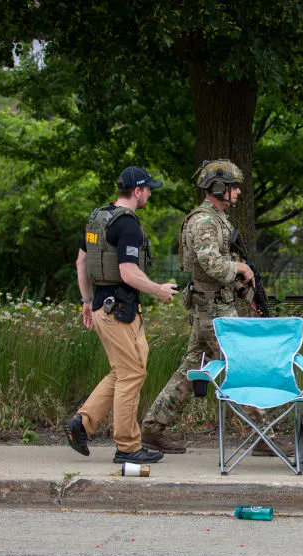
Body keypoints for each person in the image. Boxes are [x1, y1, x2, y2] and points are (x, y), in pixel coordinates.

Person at [139, 159, 260, 454]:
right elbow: (212, 264)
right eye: (234, 187)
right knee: (239, 365)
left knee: (193, 368)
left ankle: (153, 428)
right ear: (219, 187)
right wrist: (240, 267)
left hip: (214, 305)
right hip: (214, 311)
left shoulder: (217, 218)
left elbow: (217, 267)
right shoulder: (204, 221)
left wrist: (244, 289)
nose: (239, 192)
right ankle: (261, 434)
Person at [64, 166, 178, 465]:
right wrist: (158, 289)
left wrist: (87, 300)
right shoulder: (127, 224)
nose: (150, 193)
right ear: (137, 191)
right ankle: (127, 447)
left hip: (105, 306)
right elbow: (127, 272)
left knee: (127, 368)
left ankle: (82, 422)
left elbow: (81, 262)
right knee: (131, 374)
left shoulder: (99, 218)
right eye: (148, 189)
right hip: (120, 311)